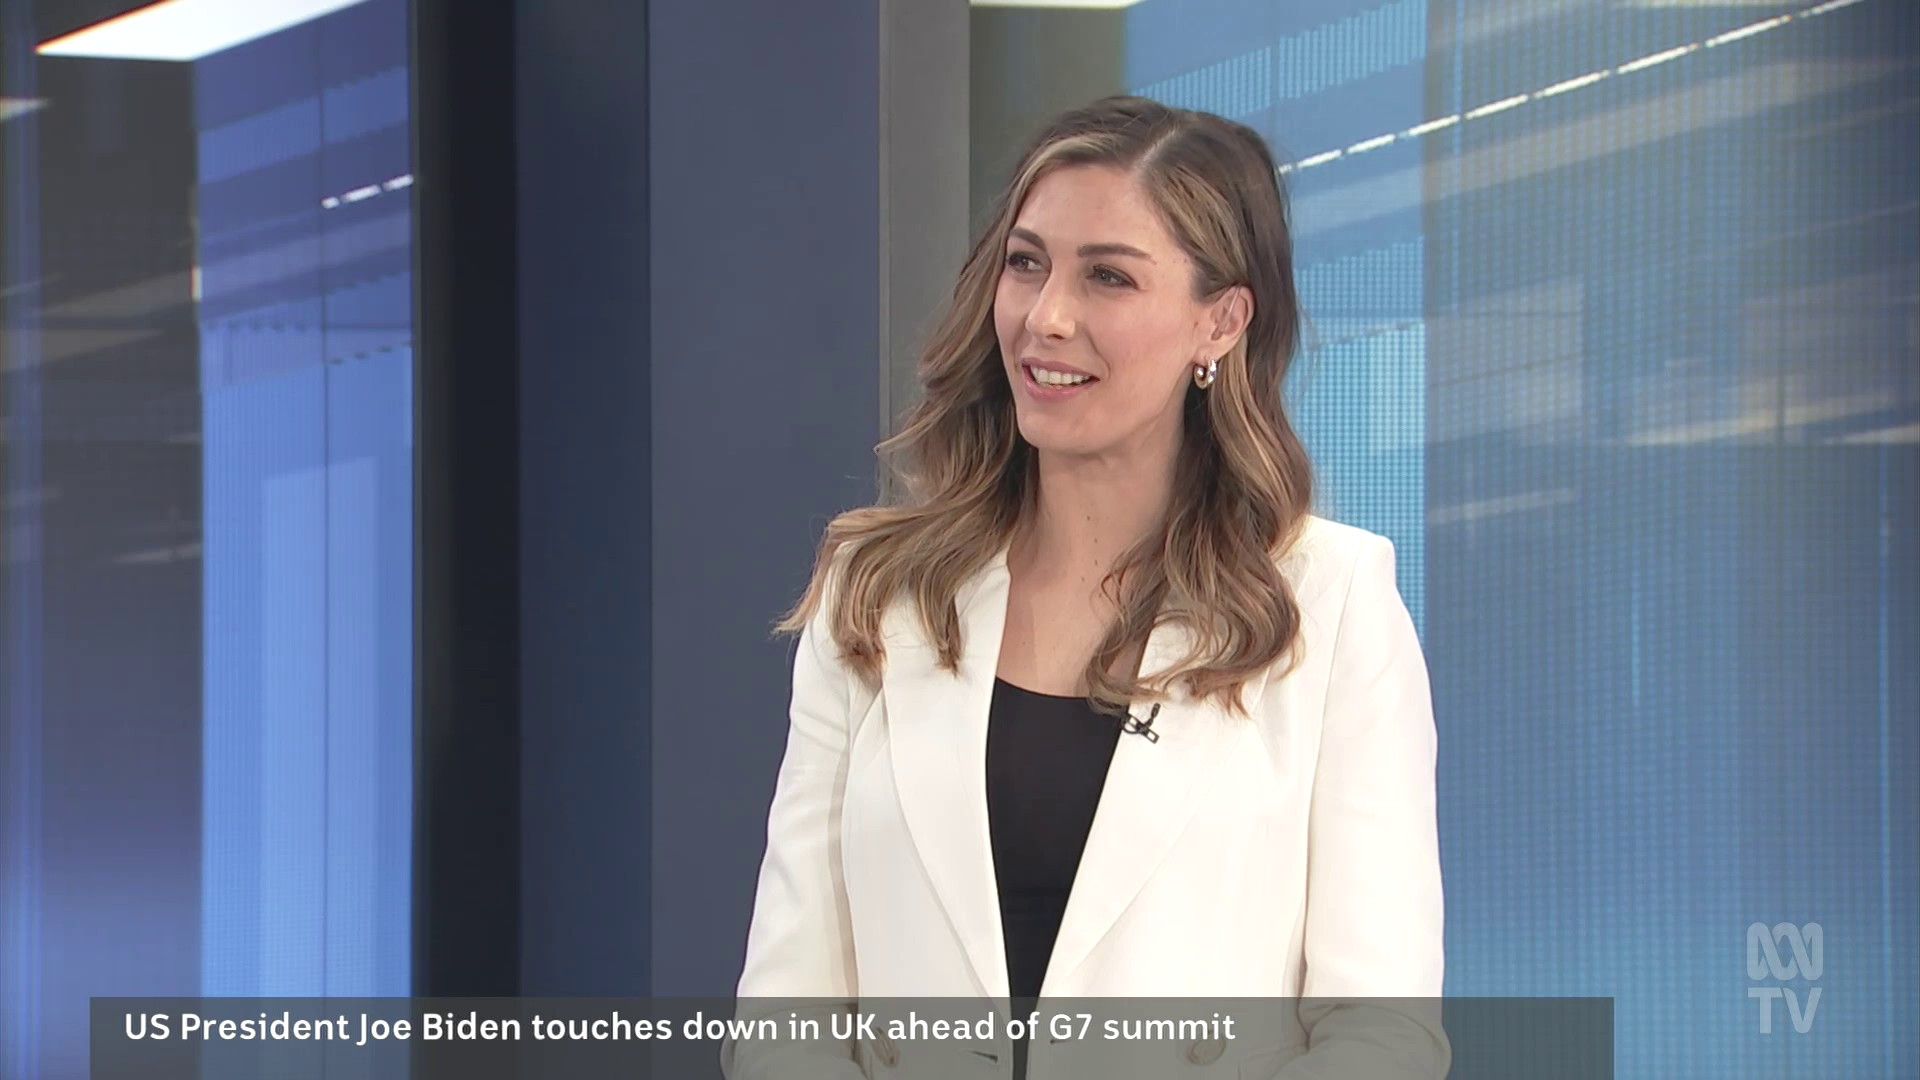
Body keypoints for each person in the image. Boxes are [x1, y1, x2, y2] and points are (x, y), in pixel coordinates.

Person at [721, 95, 1447, 1080]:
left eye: (1108, 276)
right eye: (1027, 264)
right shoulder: (877, 594)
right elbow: (786, 1014)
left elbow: (1383, 1031)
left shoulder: (1333, 603)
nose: (1046, 317)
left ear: (1221, 321)